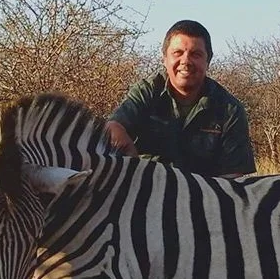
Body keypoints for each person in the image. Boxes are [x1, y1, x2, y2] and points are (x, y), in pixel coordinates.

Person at [105, 20, 256, 178]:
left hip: (203, 198)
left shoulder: (230, 109)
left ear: (208, 61)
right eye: (177, 53)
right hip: (149, 193)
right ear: (165, 58)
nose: (186, 61)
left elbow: (232, 178)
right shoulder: (146, 92)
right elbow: (113, 128)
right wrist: (134, 168)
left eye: (196, 54)